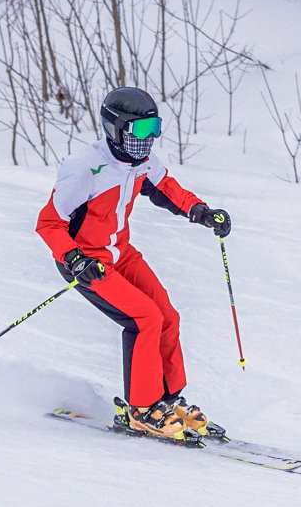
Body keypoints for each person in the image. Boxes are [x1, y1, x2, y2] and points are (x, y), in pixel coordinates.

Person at [35, 87, 231, 440]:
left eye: (154, 127)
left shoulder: (142, 161)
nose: (149, 138)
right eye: (140, 130)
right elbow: (49, 223)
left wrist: (200, 211)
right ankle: (141, 409)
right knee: (145, 318)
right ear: (115, 128)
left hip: (120, 253)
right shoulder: (84, 168)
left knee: (168, 316)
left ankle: (168, 400)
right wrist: (74, 258)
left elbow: (165, 187)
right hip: (86, 261)